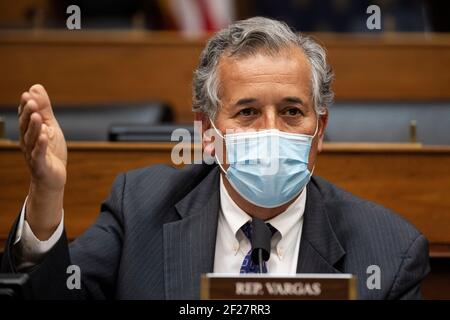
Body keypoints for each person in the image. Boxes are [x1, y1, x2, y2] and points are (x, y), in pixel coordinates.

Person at [1, 17, 429, 299]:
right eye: (247, 112)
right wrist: (46, 195)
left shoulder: (389, 253)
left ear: (319, 129)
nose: (270, 131)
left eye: (292, 112)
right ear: (207, 133)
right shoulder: (139, 209)